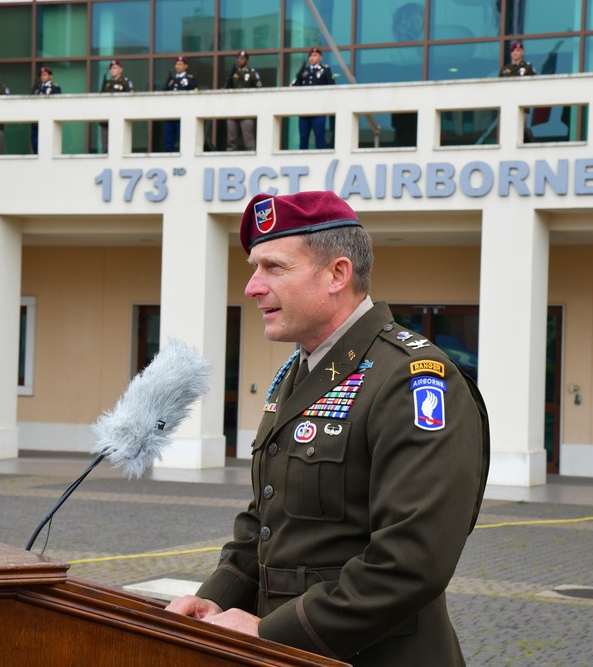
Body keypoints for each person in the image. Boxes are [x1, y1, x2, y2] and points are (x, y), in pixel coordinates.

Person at [165, 191, 489, 666]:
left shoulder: (412, 378)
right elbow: (268, 518)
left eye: (274, 268)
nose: (253, 287)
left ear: (338, 274)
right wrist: (220, 596)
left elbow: (411, 562)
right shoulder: (300, 373)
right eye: (254, 268)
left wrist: (272, 631)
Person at [290, 48, 334, 149]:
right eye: (310, 56)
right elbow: (295, 85)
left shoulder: (325, 70)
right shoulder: (304, 71)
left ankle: (322, 158)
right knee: (303, 137)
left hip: (319, 109)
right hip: (304, 109)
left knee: (319, 135)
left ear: (320, 57)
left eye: (315, 55)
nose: (312, 58)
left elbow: (332, 87)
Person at [222, 51, 261, 152]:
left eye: (242, 59)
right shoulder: (234, 73)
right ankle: (230, 156)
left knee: (248, 137)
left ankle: (251, 154)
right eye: (238, 58)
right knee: (231, 137)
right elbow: (226, 88)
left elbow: (259, 88)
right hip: (233, 108)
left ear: (247, 61)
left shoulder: (252, 73)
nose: (239, 60)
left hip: (247, 109)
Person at [499, 41, 536, 142]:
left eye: (518, 50)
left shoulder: (527, 67)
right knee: (507, 129)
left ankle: (530, 145)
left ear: (522, 52)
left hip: (522, 103)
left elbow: (533, 84)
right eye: (513, 51)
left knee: (521, 128)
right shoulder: (505, 70)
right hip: (507, 103)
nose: (515, 53)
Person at [163, 56, 197, 152]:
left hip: (184, 112)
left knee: (183, 136)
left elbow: (194, 95)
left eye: (180, 64)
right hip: (170, 112)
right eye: (176, 64)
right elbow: (164, 91)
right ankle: (170, 154)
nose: (178, 66)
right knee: (169, 137)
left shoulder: (190, 79)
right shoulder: (171, 80)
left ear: (186, 66)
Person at [99, 59, 132, 153]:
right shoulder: (106, 83)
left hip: (119, 118)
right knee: (105, 147)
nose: (112, 70)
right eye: (111, 68)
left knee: (119, 146)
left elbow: (130, 99)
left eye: (115, 68)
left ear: (120, 70)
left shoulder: (125, 83)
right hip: (106, 119)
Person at [30, 67, 61, 154]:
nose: (42, 77)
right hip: (36, 121)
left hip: (48, 120)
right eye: (41, 75)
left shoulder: (55, 88)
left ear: (50, 76)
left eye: (44, 75)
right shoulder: (37, 88)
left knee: (47, 147)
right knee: (35, 145)